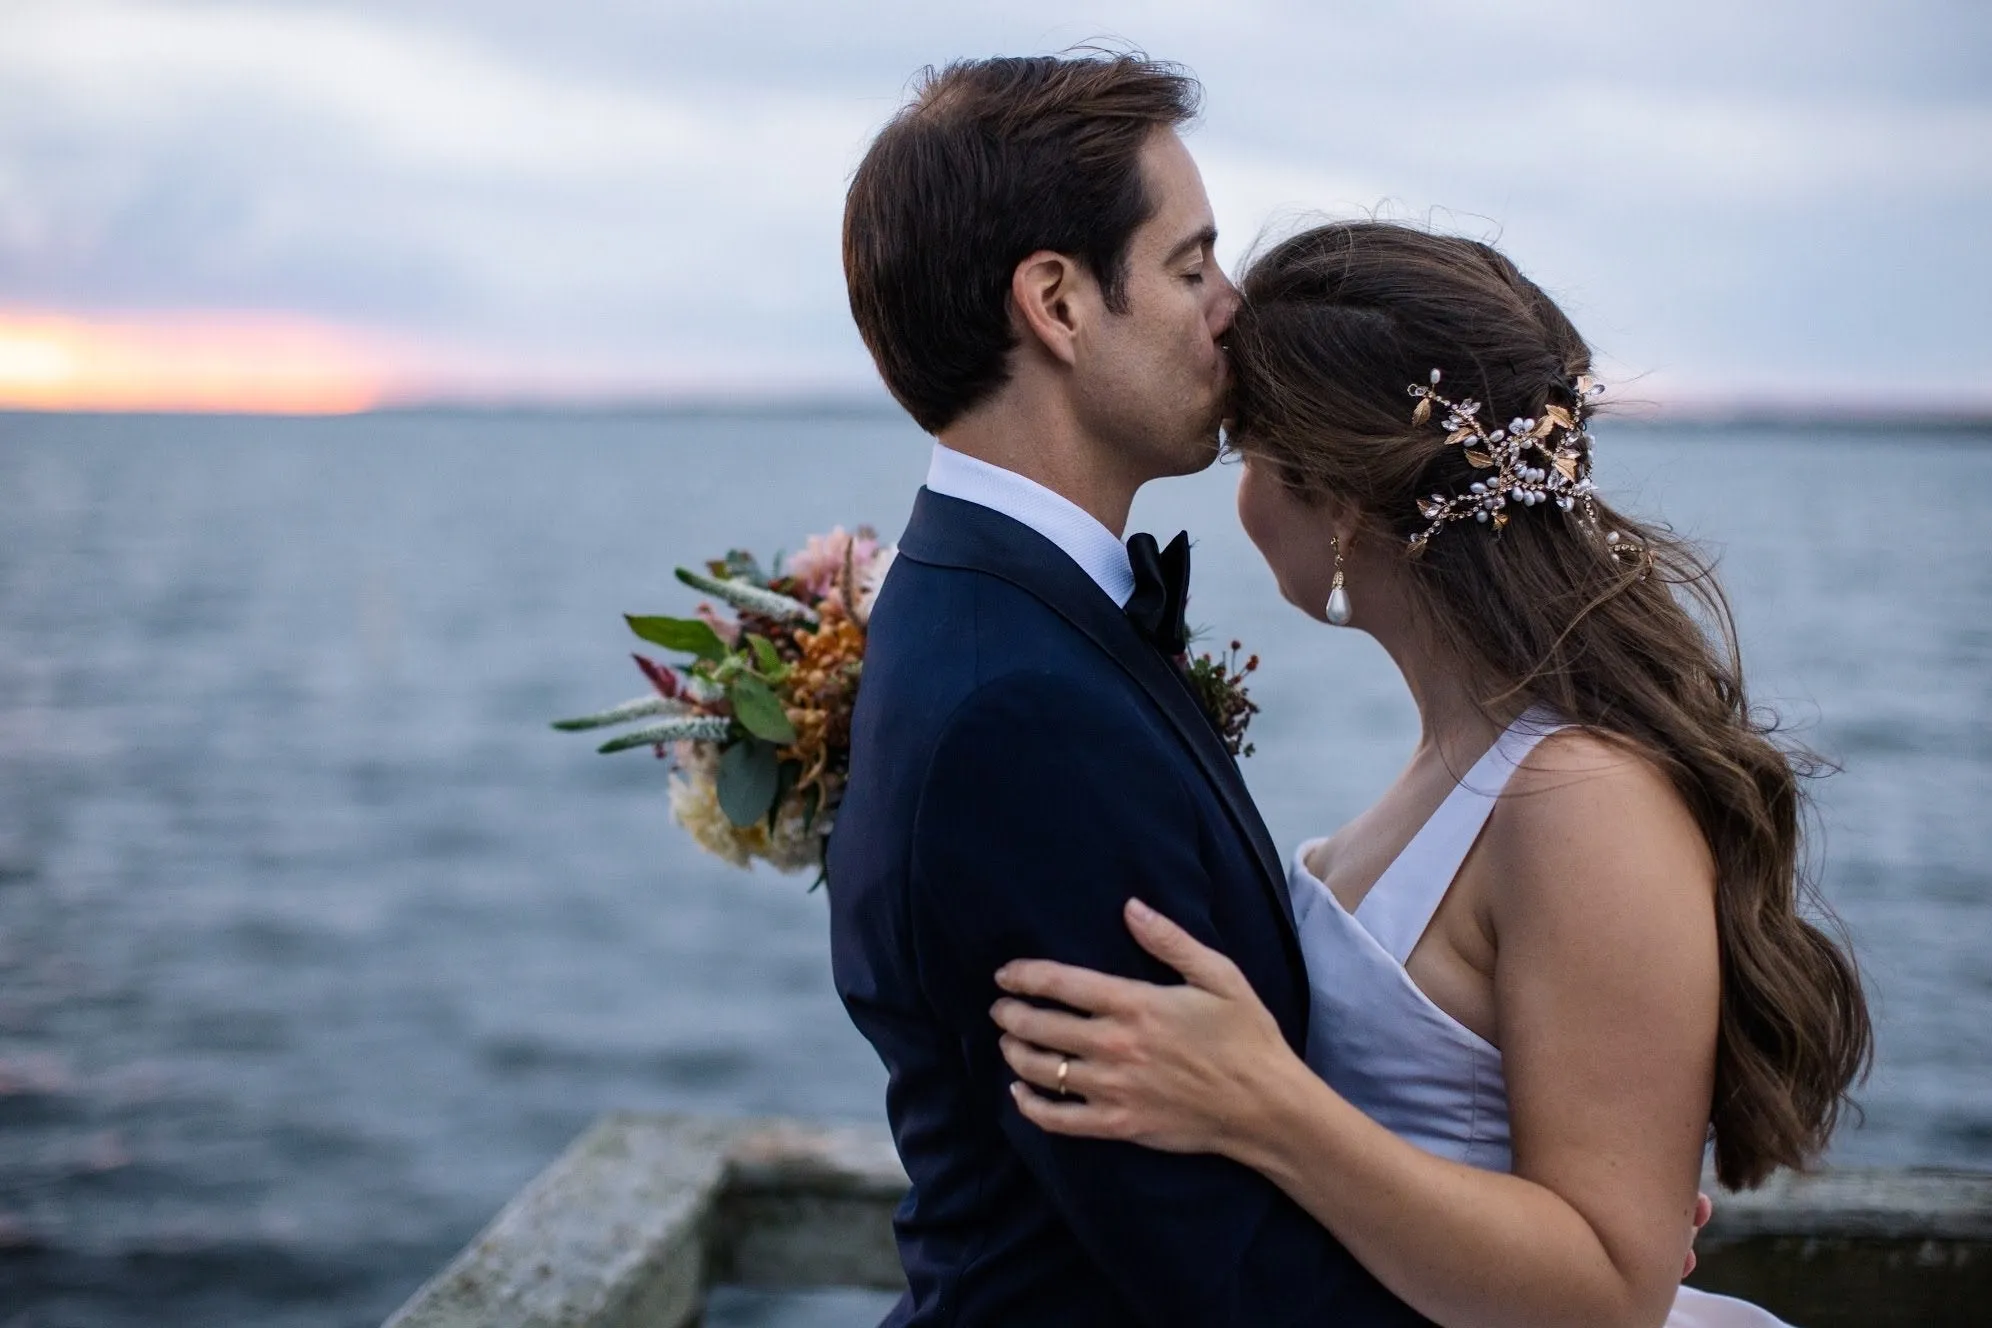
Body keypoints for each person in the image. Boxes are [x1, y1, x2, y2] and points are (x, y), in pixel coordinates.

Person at [985, 221, 1874, 1328]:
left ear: (1344, 504)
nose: (1238, 494)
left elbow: (1610, 1291)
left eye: (1246, 454)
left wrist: (1270, 1108)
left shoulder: (1580, 798)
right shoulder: (1467, 753)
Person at [826, 54, 1429, 1326]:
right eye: (1191, 264)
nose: (1232, 306)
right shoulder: (1017, 714)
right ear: (1056, 302)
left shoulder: (988, 605)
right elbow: (1209, 1268)